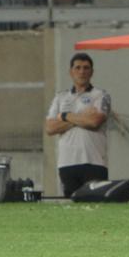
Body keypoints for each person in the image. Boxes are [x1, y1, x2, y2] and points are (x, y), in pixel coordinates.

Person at [44, 52, 111, 197]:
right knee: (71, 204)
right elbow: (50, 128)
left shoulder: (100, 95)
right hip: (67, 163)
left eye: (86, 68)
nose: (82, 72)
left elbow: (94, 121)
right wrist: (82, 117)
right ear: (71, 72)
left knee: (96, 204)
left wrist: (65, 116)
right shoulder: (60, 97)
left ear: (92, 72)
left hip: (94, 162)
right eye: (78, 68)